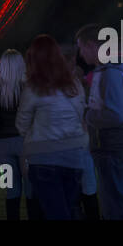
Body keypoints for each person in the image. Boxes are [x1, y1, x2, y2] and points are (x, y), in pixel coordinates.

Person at [16, 34, 92, 220]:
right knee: (68, 207)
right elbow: (81, 114)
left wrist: (35, 133)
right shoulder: (74, 85)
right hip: (74, 154)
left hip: (44, 156)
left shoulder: (33, 87)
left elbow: (21, 124)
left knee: (56, 212)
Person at [77, 24, 123, 219]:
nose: (80, 53)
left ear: (91, 45)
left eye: (81, 47)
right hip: (108, 148)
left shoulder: (110, 73)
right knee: (114, 206)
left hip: (112, 148)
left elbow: (115, 114)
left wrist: (87, 115)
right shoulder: (105, 71)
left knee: (119, 206)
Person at [0, 49, 30, 220]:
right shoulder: (27, 86)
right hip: (25, 143)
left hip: (4, 146)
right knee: (30, 187)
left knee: (11, 189)